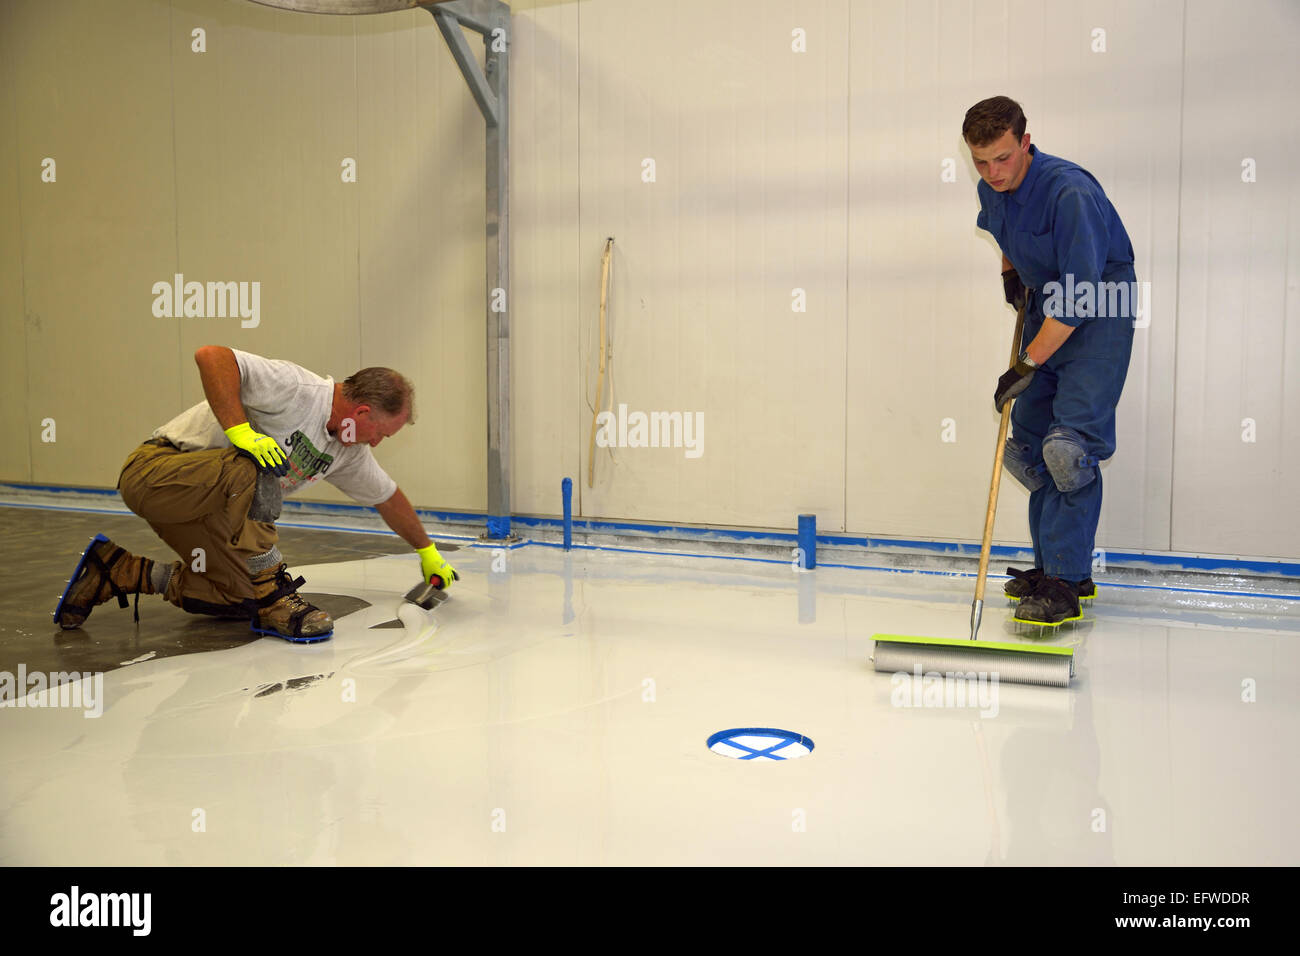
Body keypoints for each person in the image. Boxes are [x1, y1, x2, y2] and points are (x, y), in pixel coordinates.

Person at [53, 346, 459, 642]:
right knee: (258, 458)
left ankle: (121, 571)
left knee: (237, 597)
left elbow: (386, 497)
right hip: (156, 475)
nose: (378, 444)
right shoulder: (299, 389)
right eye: (382, 434)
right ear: (363, 414)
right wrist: (240, 431)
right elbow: (212, 356)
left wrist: (428, 552)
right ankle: (274, 594)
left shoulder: (346, 450)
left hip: (205, 508)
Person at [963, 95, 1136, 625]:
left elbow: (1083, 296)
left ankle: (1068, 580)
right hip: (1047, 306)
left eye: (1003, 158)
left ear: (1026, 143)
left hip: (1099, 306)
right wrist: (1012, 274)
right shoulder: (991, 187)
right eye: (981, 161)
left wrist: (1025, 364)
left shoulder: (1070, 192)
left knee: (1069, 450)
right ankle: (1053, 567)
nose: (993, 172)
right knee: (1031, 451)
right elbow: (1003, 229)